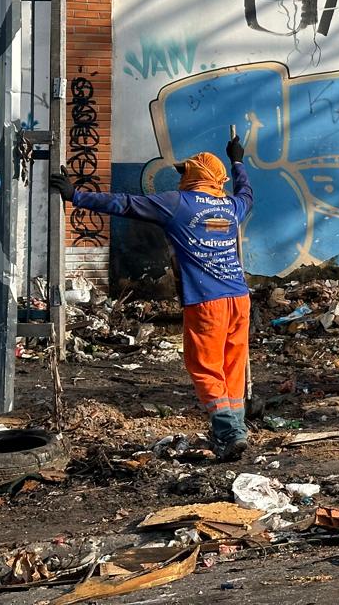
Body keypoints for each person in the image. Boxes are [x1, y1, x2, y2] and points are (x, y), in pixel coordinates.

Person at [51, 133, 254, 460]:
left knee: (205, 366)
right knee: (232, 365)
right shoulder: (232, 206)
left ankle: (229, 432)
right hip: (239, 298)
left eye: (185, 171)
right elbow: (246, 193)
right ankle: (235, 430)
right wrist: (238, 161)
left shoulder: (177, 204)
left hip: (206, 300)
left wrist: (76, 195)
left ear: (196, 175)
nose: (181, 176)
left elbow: (124, 204)